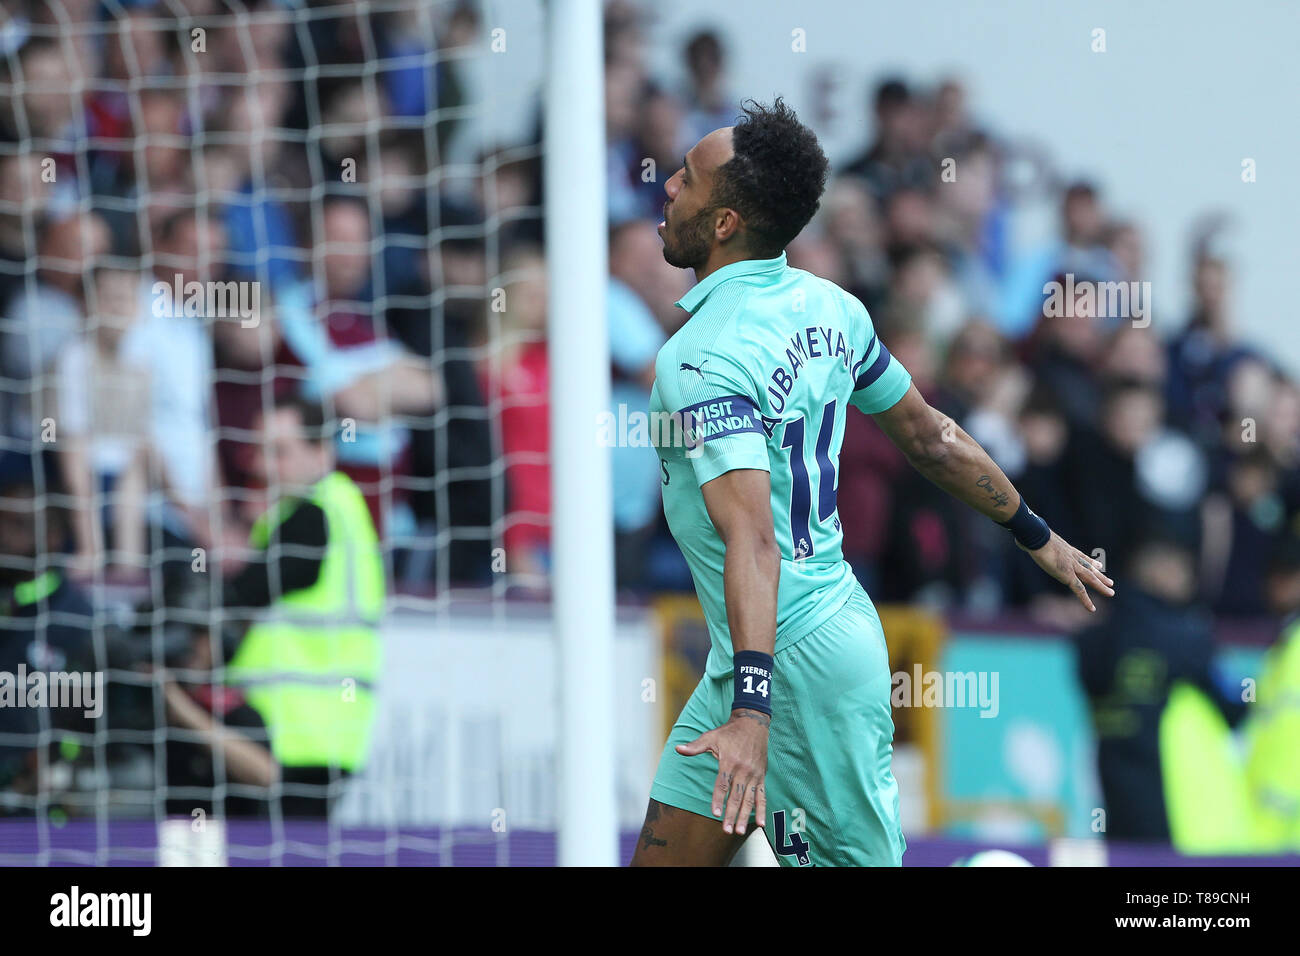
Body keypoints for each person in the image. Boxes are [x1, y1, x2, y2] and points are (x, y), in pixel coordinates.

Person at [631, 99, 1112, 867]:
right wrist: (1038, 535)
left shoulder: (701, 359)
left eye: (684, 181)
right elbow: (932, 435)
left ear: (724, 223)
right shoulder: (832, 309)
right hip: (756, 653)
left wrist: (754, 709)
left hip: (792, 667)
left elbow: (754, 538)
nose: (666, 191)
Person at [222, 394, 384, 817]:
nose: (263, 466)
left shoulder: (313, 515)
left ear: (322, 453)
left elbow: (240, 594)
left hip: (297, 736)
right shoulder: (343, 510)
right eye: (260, 451)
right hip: (326, 737)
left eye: (280, 452)